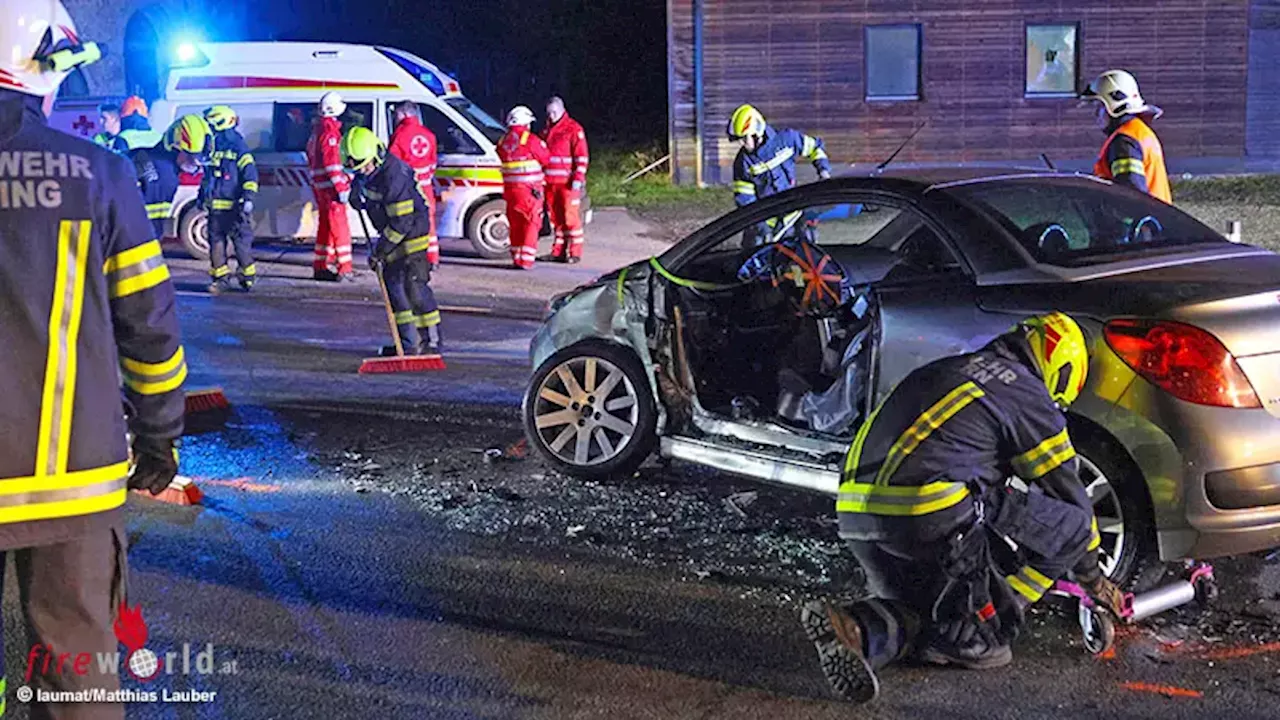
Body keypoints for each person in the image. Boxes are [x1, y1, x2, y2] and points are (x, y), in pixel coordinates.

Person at [0, 2, 186, 717]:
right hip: (74, 480)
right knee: (78, 678)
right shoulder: (99, 175)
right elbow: (151, 330)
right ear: (38, 68)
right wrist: (159, 437)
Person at [800, 312, 1124, 704]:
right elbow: (1070, 502)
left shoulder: (953, 367)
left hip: (855, 517)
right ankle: (987, 622)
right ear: (1061, 369)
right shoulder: (1026, 393)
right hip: (925, 514)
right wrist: (1095, 582)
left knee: (921, 608)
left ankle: (857, 629)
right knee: (991, 641)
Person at [343, 126, 443, 354]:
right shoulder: (367, 172)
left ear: (376, 155)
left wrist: (379, 251)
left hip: (411, 235)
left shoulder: (394, 174)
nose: (363, 171)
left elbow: (401, 223)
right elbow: (364, 191)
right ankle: (407, 345)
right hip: (391, 234)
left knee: (414, 286)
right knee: (394, 289)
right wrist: (356, 196)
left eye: (365, 166)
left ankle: (432, 342)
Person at [1080, 70, 1171, 203]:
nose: (1096, 114)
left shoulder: (1124, 142)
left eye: (1099, 106)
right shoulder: (1140, 132)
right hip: (1159, 219)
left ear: (1114, 105)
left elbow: (1131, 192)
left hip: (1141, 222)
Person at [201, 105, 259, 292]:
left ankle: (247, 276)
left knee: (241, 244)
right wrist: (201, 196)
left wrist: (248, 198)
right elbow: (207, 176)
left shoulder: (238, 147)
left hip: (235, 207)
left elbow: (250, 175)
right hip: (215, 208)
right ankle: (221, 279)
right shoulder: (211, 146)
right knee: (216, 244)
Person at [727, 103, 830, 208]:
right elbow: (745, 200)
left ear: (756, 134)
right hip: (769, 215)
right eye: (738, 140)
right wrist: (761, 223)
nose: (741, 144)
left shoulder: (787, 140)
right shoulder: (743, 163)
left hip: (795, 208)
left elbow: (815, 148)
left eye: (744, 139)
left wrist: (824, 172)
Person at [130, 115, 207, 243]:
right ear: (175, 147)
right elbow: (150, 230)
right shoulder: (165, 179)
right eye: (192, 158)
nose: (197, 165)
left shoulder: (142, 153)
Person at [307, 91, 355, 281]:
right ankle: (344, 268)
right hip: (331, 189)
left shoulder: (317, 131)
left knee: (325, 228)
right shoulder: (330, 132)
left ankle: (321, 265)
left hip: (321, 187)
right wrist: (342, 188)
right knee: (339, 227)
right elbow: (333, 164)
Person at [387, 100, 440, 268]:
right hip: (426, 185)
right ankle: (433, 258)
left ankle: (414, 258)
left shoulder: (399, 135)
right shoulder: (429, 134)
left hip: (408, 188)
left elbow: (392, 164)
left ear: (403, 114)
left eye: (397, 114)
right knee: (429, 222)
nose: (396, 117)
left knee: (410, 223)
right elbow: (433, 163)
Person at [497, 105, 550, 270]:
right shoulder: (530, 140)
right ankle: (526, 260)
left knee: (516, 223)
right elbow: (546, 158)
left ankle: (517, 256)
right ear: (526, 123)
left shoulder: (502, 141)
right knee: (531, 222)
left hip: (510, 191)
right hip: (529, 191)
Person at [539, 96, 589, 264]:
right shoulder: (546, 130)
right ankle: (558, 252)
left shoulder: (573, 129)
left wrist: (578, 178)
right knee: (556, 219)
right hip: (550, 182)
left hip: (567, 183)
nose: (551, 116)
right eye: (549, 113)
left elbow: (581, 156)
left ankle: (575, 252)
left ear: (562, 110)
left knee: (570, 218)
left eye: (554, 112)